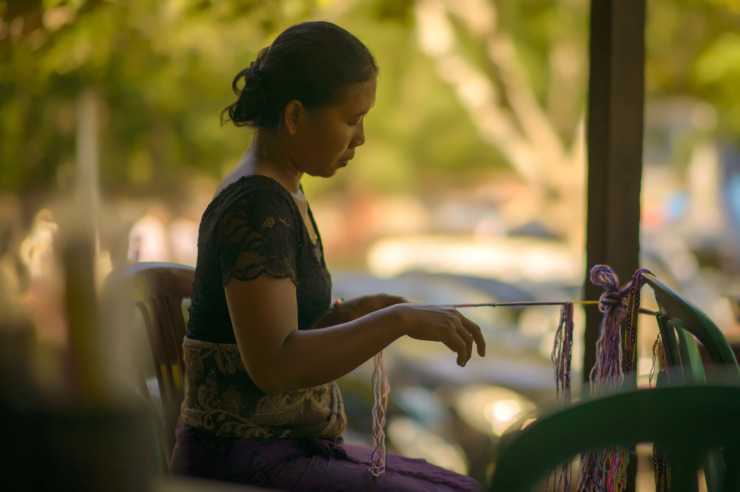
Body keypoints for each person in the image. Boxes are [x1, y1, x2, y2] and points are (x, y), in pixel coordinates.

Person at [169, 21, 486, 491]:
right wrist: (397, 320)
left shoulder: (282, 193)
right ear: (295, 116)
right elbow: (276, 365)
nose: (360, 137)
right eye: (351, 119)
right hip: (243, 460)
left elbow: (286, 335)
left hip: (286, 448)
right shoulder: (257, 204)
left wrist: (361, 312)